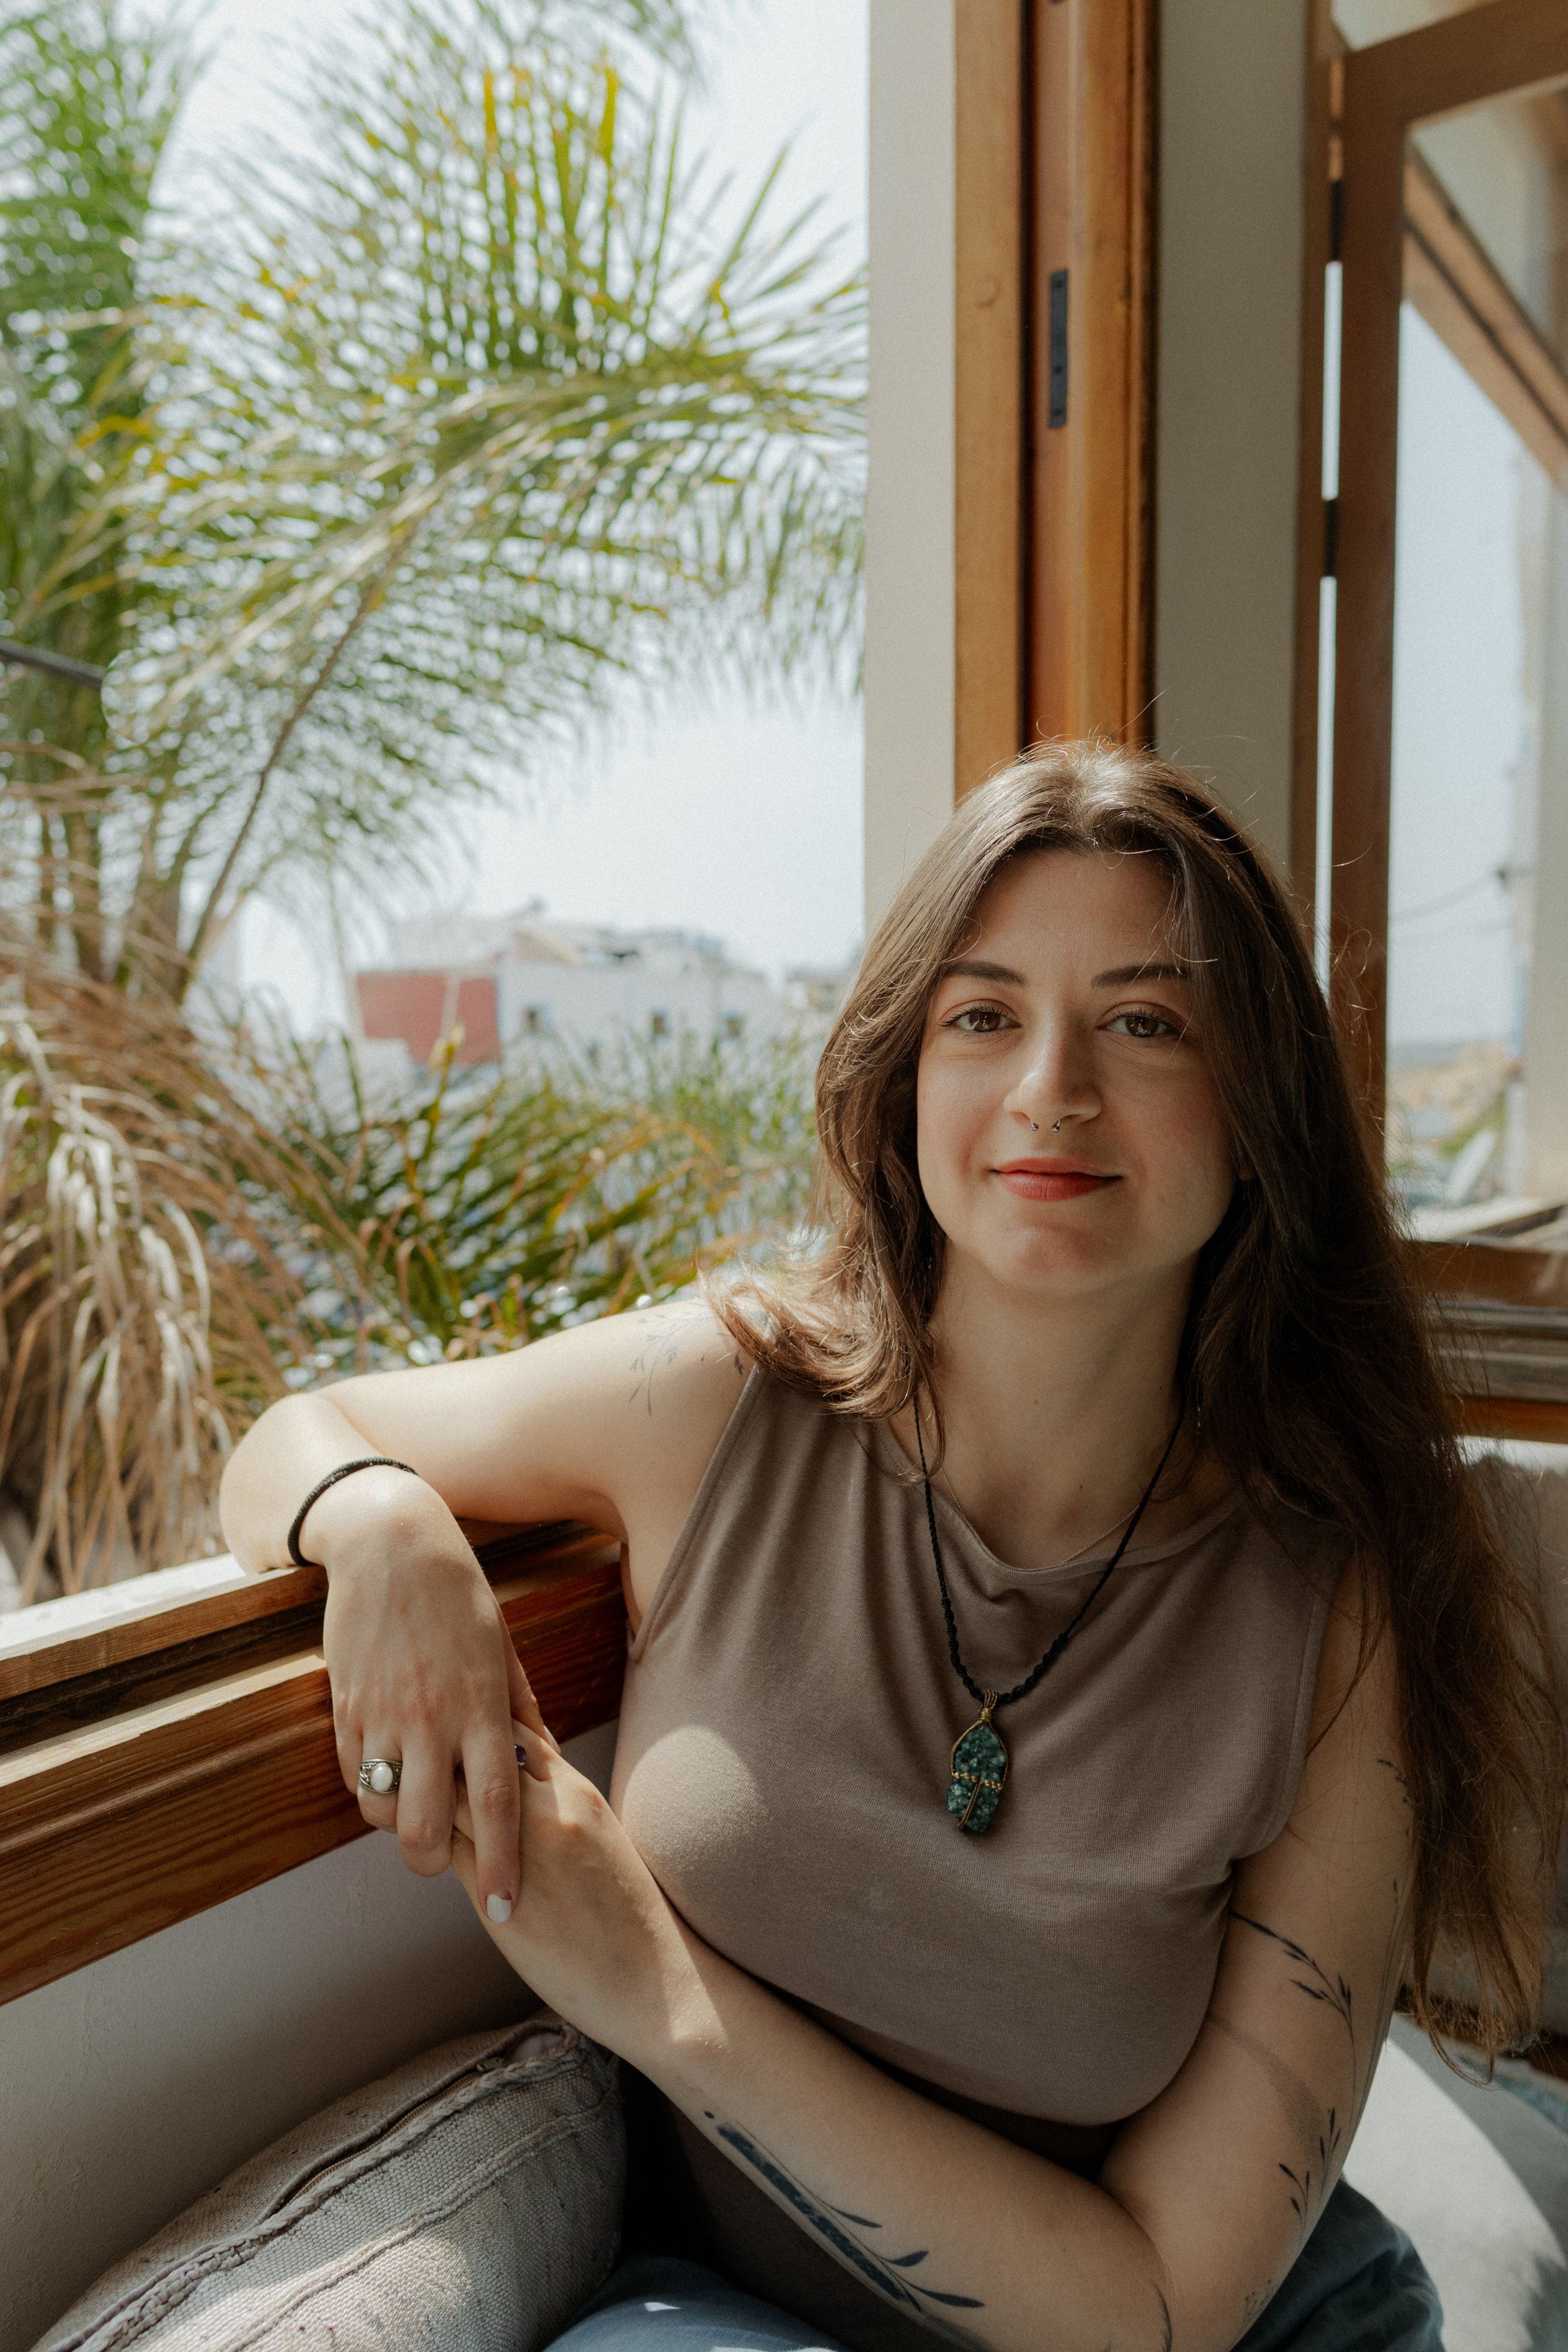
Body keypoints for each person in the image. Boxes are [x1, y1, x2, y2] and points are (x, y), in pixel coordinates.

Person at [220, 745, 1562, 2352]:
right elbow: (299, 1433)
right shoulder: (720, 1398)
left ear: (1258, 1104)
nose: (1049, 1090)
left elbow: (1156, 2306)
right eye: (981, 1016)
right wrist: (379, 1524)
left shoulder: (1335, 1611)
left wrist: (662, 2000)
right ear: (903, 1077)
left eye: (1143, 1023)